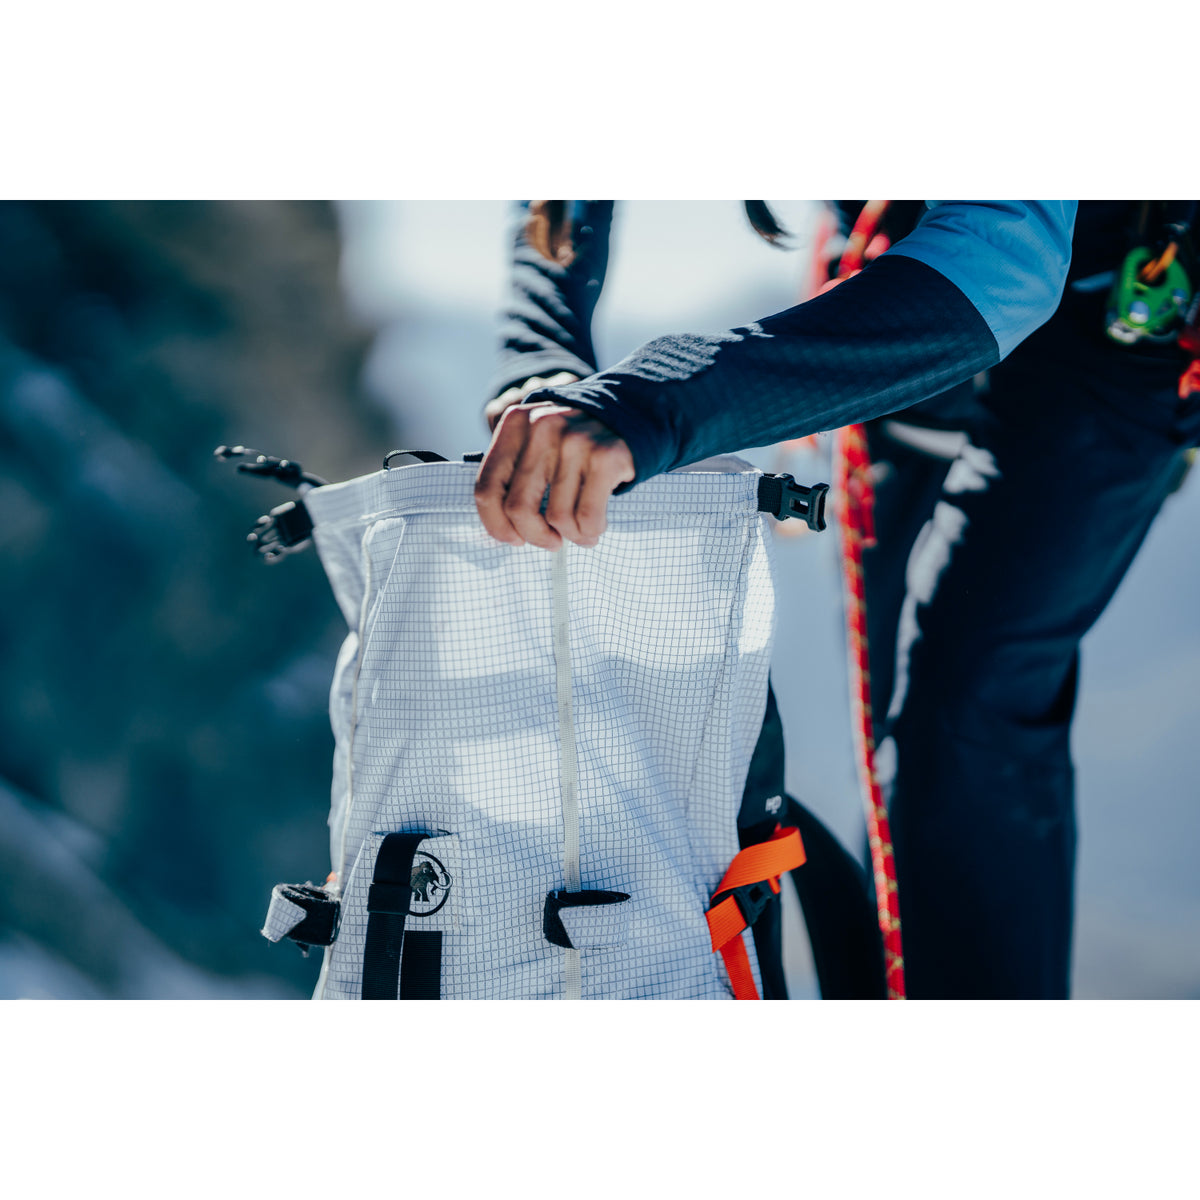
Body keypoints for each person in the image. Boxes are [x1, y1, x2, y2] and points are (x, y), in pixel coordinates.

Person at [476, 200, 1199, 998]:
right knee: (902, 745)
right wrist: (541, 358)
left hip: (1114, 300)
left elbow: (1003, 266)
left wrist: (652, 404)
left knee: (964, 701)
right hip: (908, 260)